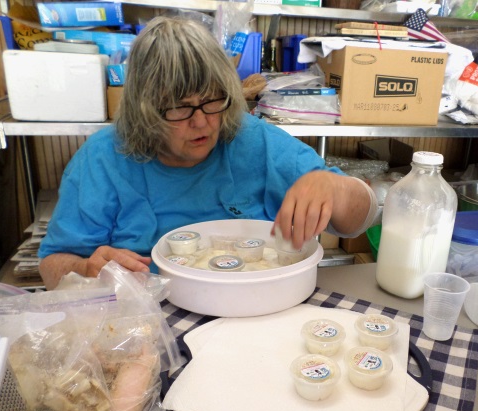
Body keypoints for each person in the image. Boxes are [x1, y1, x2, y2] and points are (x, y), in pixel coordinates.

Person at [38, 16, 378, 290]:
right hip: (148, 324)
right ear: (145, 110)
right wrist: (85, 268)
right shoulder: (103, 159)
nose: (202, 122)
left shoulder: (253, 140)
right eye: (180, 107)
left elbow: (360, 218)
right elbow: (52, 266)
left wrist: (334, 188)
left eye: (212, 99)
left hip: (258, 309)